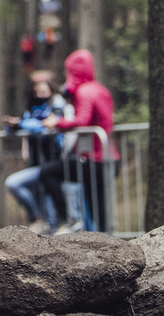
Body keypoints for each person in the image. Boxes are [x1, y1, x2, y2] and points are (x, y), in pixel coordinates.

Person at [39, 49, 119, 233]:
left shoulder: (84, 92)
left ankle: (67, 219)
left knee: (48, 172)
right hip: (107, 159)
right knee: (99, 207)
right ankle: (107, 245)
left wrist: (56, 122)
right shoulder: (100, 89)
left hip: (94, 161)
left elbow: (82, 120)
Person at [2, 72, 69, 234]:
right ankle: (37, 219)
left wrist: (21, 124)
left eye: (44, 91)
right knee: (43, 207)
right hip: (35, 166)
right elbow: (16, 127)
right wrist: (13, 126)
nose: (40, 95)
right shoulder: (30, 111)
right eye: (37, 92)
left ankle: (44, 224)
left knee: (15, 184)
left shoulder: (56, 107)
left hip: (51, 165)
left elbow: (44, 126)